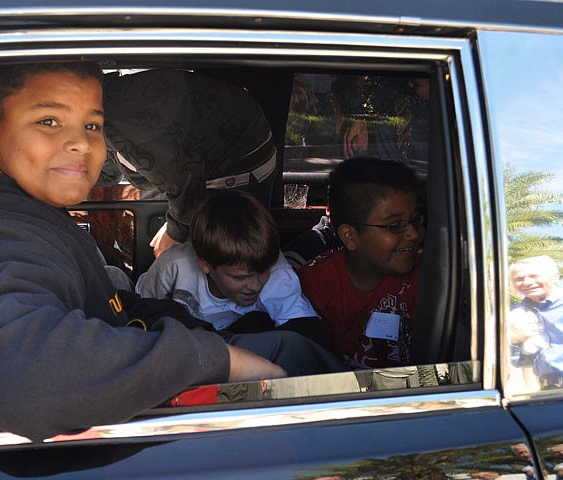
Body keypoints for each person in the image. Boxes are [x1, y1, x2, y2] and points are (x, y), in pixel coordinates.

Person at [0, 61, 285, 441]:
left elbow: (98, 303)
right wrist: (212, 360)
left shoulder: (3, 206)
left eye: (92, 125)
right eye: (48, 121)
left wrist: (172, 319)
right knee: (291, 355)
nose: (80, 144)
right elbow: (22, 379)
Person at [136, 190, 341, 376]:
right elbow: (142, 310)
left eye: (262, 272)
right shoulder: (174, 266)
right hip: (188, 352)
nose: (254, 285)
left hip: (244, 355)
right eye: (239, 277)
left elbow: (305, 332)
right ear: (205, 265)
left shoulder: (276, 270)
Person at [101, 68, 278, 258]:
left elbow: (186, 178)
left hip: (237, 162)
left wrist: (174, 231)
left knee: (226, 259)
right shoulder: (105, 114)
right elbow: (112, 163)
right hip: (217, 155)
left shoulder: (119, 119)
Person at [297, 157, 423, 369]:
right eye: (395, 226)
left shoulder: (428, 276)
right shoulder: (313, 286)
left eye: (416, 220)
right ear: (350, 236)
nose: (413, 234)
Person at [509, 255, 563, 390]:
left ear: (555, 277)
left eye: (534, 276)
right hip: (546, 389)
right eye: (519, 279)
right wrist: (513, 340)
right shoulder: (516, 314)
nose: (526, 282)